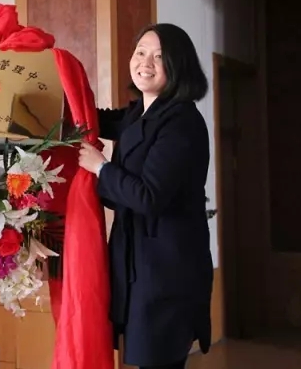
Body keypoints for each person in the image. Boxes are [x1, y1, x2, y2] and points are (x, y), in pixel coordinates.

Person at [78, 23, 213, 369]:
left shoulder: (181, 121)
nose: (145, 62)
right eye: (140, 52)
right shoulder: (141, 112)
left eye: (158, 56)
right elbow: (93, 119)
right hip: (138, 264)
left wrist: (101, 168)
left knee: (159, 360)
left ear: (177, 64)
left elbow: (149, 196)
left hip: (167, 268)